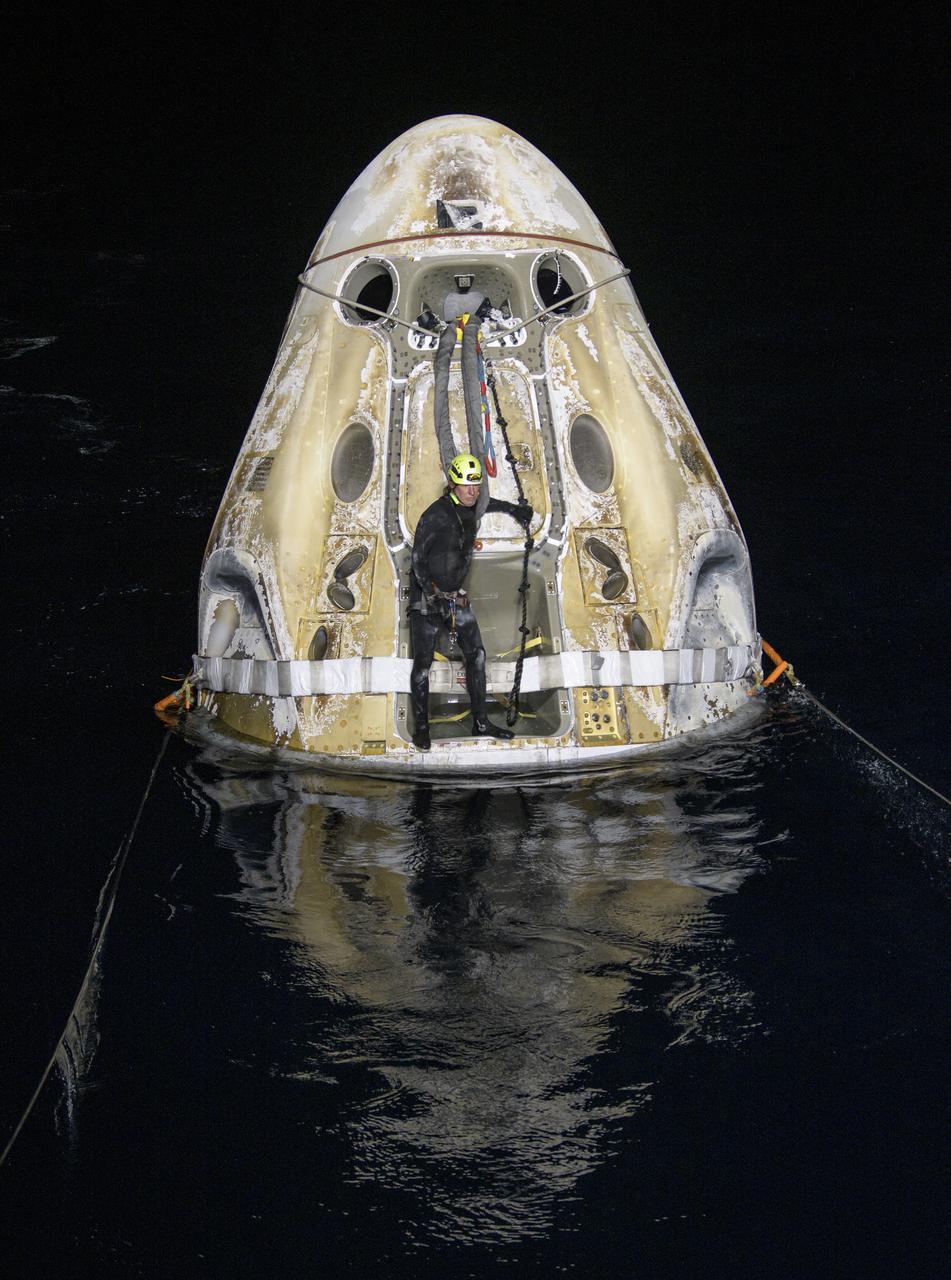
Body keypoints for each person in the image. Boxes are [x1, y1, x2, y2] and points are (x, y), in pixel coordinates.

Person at [409, 452, 532, 751]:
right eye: (466, 486)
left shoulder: (472, 506)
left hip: (455, 598)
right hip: (428, 599)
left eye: (476, 486)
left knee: (476, 655)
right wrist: (432, 596)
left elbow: (487, 505)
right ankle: (422, 729)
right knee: (423, 665)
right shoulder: (435, 515)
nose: (473, 491)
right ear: (453, 485)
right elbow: (417, 561)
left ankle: (481, 721)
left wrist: (515, 510)